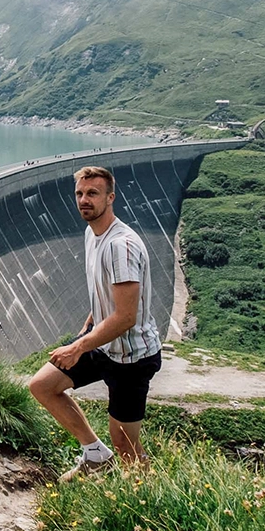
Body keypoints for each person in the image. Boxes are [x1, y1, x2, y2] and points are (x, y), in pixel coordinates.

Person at [26, 166, 162, 482]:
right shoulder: (92, 233)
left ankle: (149, 499)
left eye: (93, 193)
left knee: (126, 445)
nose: (84, 200)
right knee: (42, 386)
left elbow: (126, 317)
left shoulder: (120, 246)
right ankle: (96, 455)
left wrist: (78, 346)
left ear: (110, 197)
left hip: (132, 358)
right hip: (102, 344)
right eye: (80, 194)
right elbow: (103, 294)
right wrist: (87, 328)